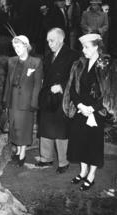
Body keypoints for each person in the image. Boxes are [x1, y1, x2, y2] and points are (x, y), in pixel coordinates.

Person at [63, 33, 117, 191]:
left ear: (96, 47)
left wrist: (92, 108)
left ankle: (91, 176)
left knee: (93, 144)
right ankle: (83, 171)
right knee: (80, 141)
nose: (83, 50)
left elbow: (109, 92)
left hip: (97, 110)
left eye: (86, 47)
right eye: (83, 47)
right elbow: (72, 87)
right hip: (81, 110)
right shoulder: (78, 64)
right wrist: (80, 105)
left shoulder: (108, 65)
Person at [37, 28, 79, 173]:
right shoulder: (48, 56)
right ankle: (45, 158)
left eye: (52, 40)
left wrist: (62, 86)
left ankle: (63, 162)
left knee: (61, 130)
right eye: (48, 41)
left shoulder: (73, 55)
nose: (49, 44)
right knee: (45, 127)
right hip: (47, 96)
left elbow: (76, 77)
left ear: (61, 39)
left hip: (62, 97)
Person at [3, 35, 43, 167]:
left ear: (26, 45)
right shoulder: (11, 61)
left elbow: (37, 85)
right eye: (14, 47)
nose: (16, 49)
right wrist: (5, 100)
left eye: (19, 46)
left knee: (24, 127)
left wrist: (34, 102)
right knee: (14, 126)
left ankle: (23, 153)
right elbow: (7, 82)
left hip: (27, 101)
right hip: (13, 98)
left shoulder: (36, 62)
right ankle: (18, 150)